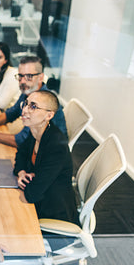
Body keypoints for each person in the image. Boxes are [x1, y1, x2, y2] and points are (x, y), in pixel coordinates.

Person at [14, 90, 79, 225]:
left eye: (33, 106)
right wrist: (21, 173)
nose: (25, 110)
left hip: (53, 212)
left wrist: (30, 180)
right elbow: (20, 154)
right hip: (41, 199)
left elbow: (32, 194)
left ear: (49, 115)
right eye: (25, 104)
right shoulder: (36, 131)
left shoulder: (56, 145)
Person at [0, 56, 67, 148]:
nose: (22, 81)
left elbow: (22, 141)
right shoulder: (29, 92)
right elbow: (11, 113)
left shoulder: (43, 102)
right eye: (20, 76)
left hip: (49, 152)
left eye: (29, 76)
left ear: (40, 77)